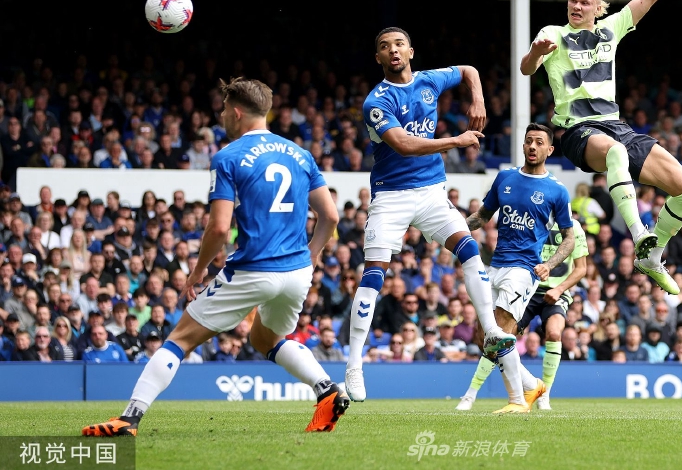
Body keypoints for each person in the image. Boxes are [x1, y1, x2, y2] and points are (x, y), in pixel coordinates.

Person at [82, 78, 346, 438]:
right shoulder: (301, 154)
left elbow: (219, 229)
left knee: (179, 339)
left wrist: (196, 272)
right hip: (297, 271)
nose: (221, 115)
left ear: (236, 112)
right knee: (264, 339)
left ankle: (129, 418)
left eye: (223, 109)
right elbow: (330, 217)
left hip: (254, 268)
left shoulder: (228, 157)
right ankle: (327, 390)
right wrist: (311, 257)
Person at [520, 0, 682, 297]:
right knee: (616, 153)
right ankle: (639, 234)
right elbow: (525, 68)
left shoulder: (611, 28)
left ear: (598, 8)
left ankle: (651, 258)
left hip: (615, 124)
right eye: (572, 0)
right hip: (575, 131)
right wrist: (535, 53)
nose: (577, 6)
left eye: (584, 2)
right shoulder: (552, 33)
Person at [344, 27, 516, 403]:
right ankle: (353, 363)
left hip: (432, 193)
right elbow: (403, 145)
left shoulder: (429, 81)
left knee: (470, 250)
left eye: (399, 45)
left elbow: (469, 69)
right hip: (391, 196)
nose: (393, 51)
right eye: (384, 47)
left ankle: (490, 329)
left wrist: (478, 102)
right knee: (374, 274)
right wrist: (455, 141)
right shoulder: (377, 100)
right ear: (378, 58)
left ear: (410, 51)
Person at [449, 124, 574, 414]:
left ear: (549, 150)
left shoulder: (557, 190)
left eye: (539, 142)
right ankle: (535, 386)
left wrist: (550, 264)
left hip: (525, 270)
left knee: (503, 331)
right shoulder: (504, 178)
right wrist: (450, 231)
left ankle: (517, 401)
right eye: (528, 141)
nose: (532, 146)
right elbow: (482, 217)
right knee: (484, 337)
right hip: (496, 265)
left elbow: (568, 237)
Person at [456, 215, 588, 411]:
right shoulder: (531, 223)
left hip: (556, 291)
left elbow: (581, 269)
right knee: (499, 337)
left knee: (554, 332)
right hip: (527, 287)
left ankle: (545, 396)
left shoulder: (573, 227)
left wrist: (559, 289)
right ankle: (471, 394)